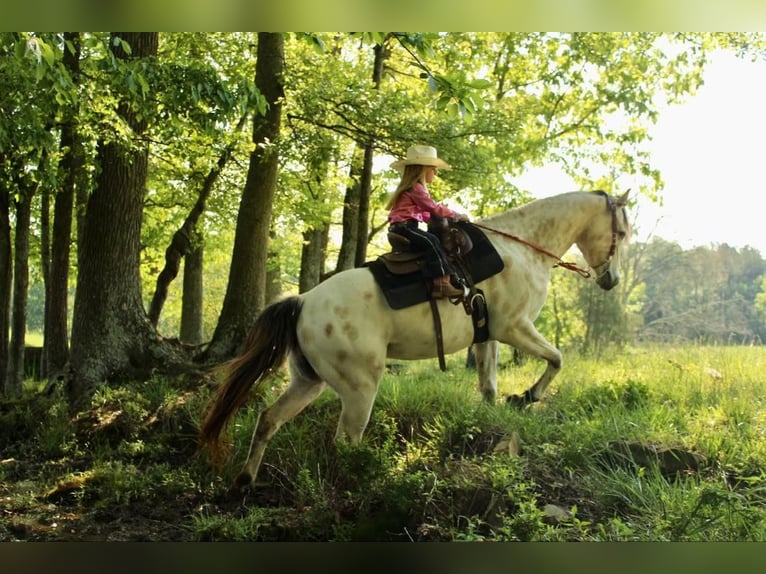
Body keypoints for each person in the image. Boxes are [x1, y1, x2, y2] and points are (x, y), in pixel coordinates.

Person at [386, 144, 469, 299]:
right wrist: (455, 215)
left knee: (430, 241)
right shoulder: (416, 188)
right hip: (405, 228)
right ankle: (442, 284)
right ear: (423, 169)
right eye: (433, 168)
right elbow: (433, 207)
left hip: (402, 227)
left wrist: (438, 218)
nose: (436, 172)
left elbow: (426, 214)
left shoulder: (411, 188)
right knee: (433, 242)